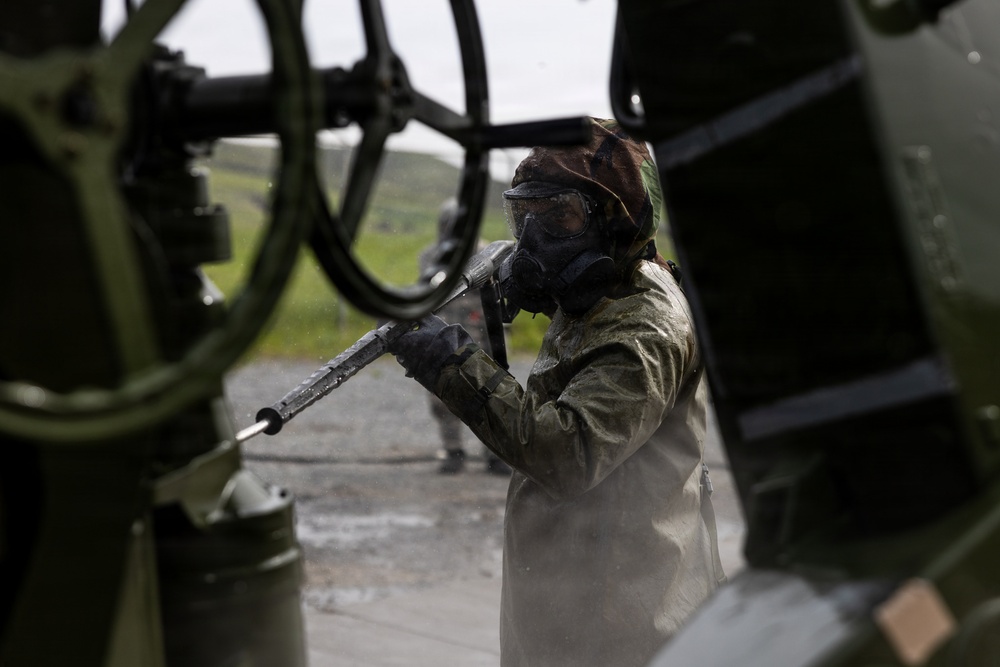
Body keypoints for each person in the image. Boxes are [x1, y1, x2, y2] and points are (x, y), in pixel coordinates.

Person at [389, 118, 726, 666]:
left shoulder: (642, 331)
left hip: (622, 624)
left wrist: (452, 363)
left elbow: (565, 453)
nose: (535, 240)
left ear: (617, 222)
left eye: (560, 216)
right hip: (571, 598)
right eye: (526, 216)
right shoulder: (600, 295)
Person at [418, 199, 512, 475]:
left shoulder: (487, 256)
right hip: (444, 333)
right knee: (441, 394)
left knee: (492, 392)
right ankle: (452, 450)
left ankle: (494, 454)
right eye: (450, 226)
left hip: (483, 333)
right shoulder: (429, 257)